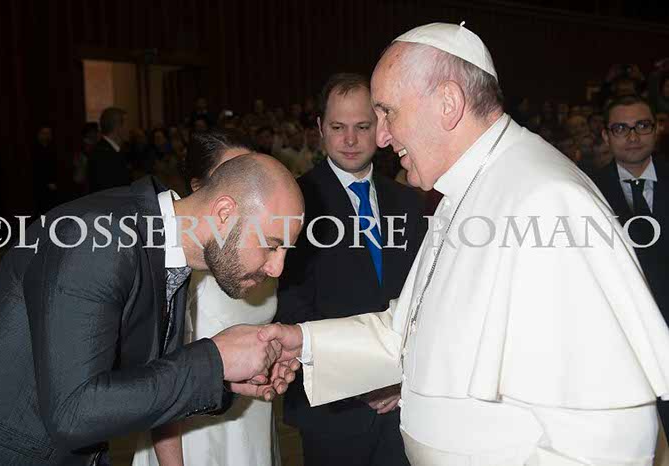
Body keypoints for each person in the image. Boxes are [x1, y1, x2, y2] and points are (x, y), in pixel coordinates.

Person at [261, 22, 669, 465]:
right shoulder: (464, 189)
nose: (381, 137)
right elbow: (410, 326)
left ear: (448, 104)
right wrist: (303, 341)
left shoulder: (546, 199)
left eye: (388, 113)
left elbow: (609, 436)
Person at [0, 153, 303, 466]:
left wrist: (223, 378)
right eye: (271, 245)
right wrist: (213, 360)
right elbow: (73, 412)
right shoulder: (99, 239)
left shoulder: (167, 246)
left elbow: (135, 378)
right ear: (224, 213)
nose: (277, 269)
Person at [276, 73, 425, 466]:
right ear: (320, 128)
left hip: (403, 404)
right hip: (333, 408)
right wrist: (362, 378)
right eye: (338, 127)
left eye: (362, 126)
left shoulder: (408, 202)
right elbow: (292, 306)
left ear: (381, 127)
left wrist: (401, 377)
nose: (350, 140)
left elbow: (423, 298)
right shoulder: (294, 201)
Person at [132, 130, 282, 466]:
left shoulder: (266, 255)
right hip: (193, 432)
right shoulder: (180, 266)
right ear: (200, 189)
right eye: (230, 178)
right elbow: (161, 380)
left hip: (254, 414)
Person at [589, 95, 669, 432]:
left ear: (657, 129)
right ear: (606, 135)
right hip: (622, 333)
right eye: (621, 128)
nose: (632, 136)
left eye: (642, 126)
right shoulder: (587, 189)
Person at [88, 107, 131, 193]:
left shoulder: (112, 150)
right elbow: (110, 192)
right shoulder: (103, 155)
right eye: (126, 125)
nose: (129, 129)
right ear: (117, 127)